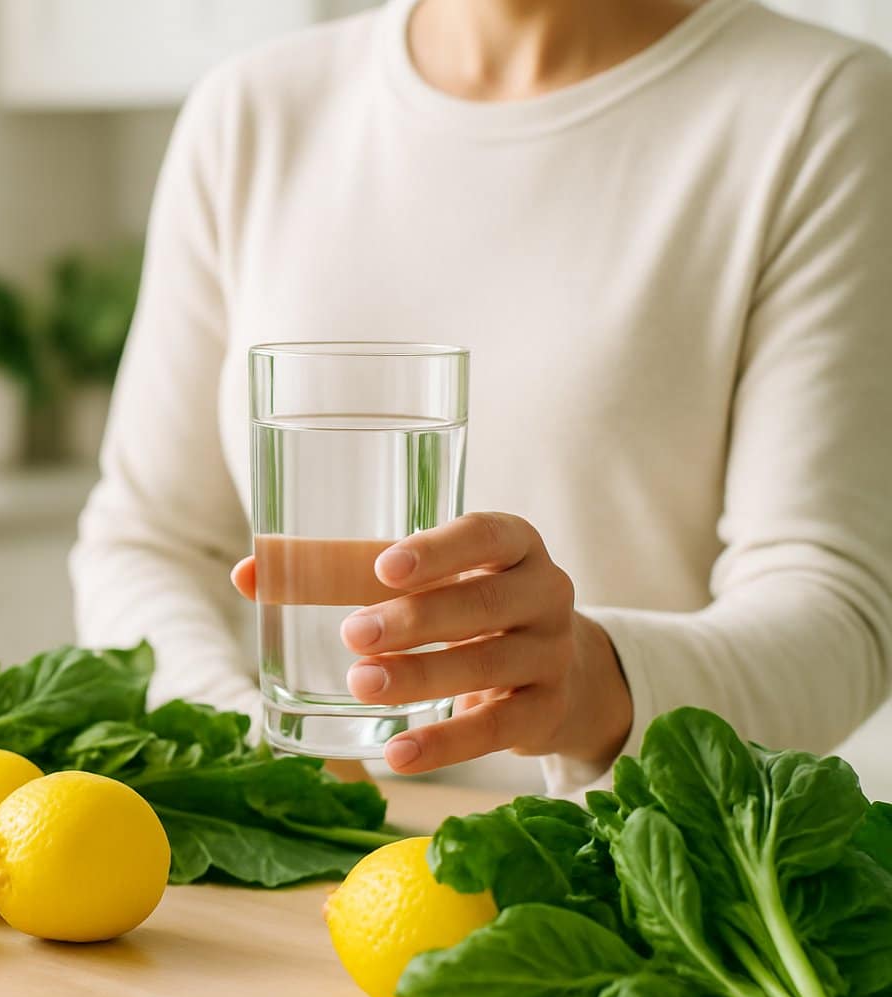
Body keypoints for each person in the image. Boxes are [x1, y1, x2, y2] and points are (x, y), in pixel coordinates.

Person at [69, 0, 892, 794]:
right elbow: (148, 541)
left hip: (622, 890)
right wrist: (258, 759)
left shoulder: (818, 106)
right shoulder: (253, 111)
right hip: (307, 876)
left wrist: (593, 683)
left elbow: (837, 609)